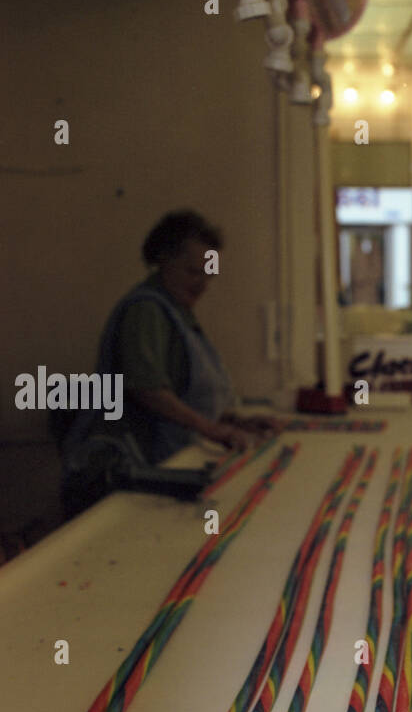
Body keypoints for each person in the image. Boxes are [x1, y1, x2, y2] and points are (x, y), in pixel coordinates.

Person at [60, 211, 274, 516]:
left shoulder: (180, 314)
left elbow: (188, 389)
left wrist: (232, 421)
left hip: (169, 462)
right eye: (192, 272)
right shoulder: (146, 310)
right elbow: (148, 389)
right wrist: (212, 430)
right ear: (163, 260)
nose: (202, 284)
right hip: (140, 467)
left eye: (208, 274)